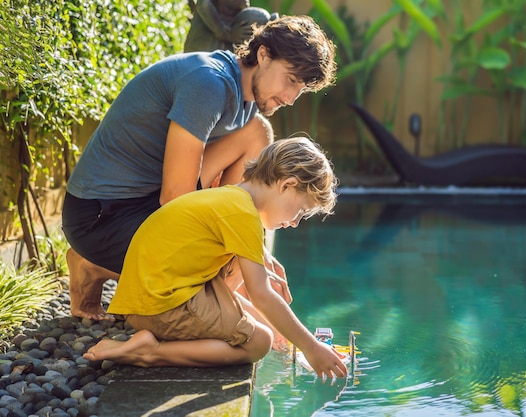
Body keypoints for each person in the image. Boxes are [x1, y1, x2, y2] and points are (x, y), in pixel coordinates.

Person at [62, 15, 337, 322]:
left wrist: (251, 248)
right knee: (222, 260)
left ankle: (210, 304)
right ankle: (95, 264)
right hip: (100, 216)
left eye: (300, 88)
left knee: (258, 133)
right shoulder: (209, 83)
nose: (290, 98)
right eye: (291, 80)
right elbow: (175, 196)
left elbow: (231, 200)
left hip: (141, 200)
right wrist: (239, 254)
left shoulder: (243, 99)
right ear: (263, 55)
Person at [83, 137, 348, 380]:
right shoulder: (243, 215)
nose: (294, 223)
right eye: (299, 210)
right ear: (286, 184)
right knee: (259, 342)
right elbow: (261, 295)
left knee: (239, 276)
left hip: (148, 301)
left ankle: (153, 341)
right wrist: (311, 348)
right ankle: (151, 352)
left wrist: (281, 329)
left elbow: (230, 291)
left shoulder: (230, 198)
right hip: (162, 308)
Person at [183, 0, 278, 53]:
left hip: (224, 45)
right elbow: (203, 4)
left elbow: (244, 10)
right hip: (204, 41)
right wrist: (226, 34)